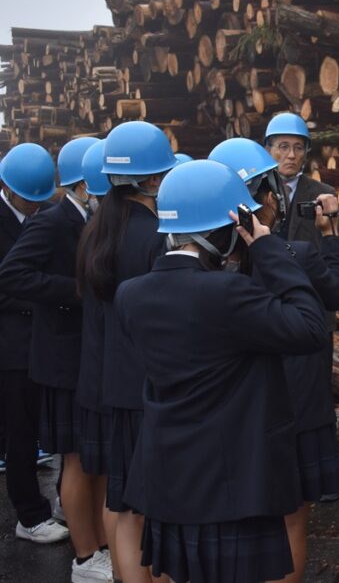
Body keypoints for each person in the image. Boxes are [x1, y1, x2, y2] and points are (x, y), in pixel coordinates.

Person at [116, 159, 328, 583]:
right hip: (230, 474)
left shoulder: (131, 294)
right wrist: (268, 249)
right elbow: (310, 327)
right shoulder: (228, 293)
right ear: (227, 231)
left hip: (167, 468)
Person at [209, 138, 339, 582]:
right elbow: (335, 294)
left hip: (230, 409)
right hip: (296, 403)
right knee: (290, 517)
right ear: (267, 197)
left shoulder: (207, 268)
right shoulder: (297, 255)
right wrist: (331, 236)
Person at [0, 137, 113, 583]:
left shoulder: (81, 218)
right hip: (39, 350)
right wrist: (73, 292)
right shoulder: (52, 221)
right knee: (52, 445)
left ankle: (88, 530)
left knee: (83, 453)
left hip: (73, 350)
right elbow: (12, 275)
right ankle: (67, 540)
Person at [77, 121, 177, 583]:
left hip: (115, 382)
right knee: (154, 506)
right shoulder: (158, 234)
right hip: (149, 386)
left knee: (122, 501)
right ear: (154, 178)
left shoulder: (97, 229)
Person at [0, 144, 70, 547]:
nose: (34, 205)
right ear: (8, 188)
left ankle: (67, 499)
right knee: (21, 433)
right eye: (28, 198)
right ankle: (29, 514)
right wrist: (48, 296)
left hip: (47, 338)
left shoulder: (44, 215)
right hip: (12, 345)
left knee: (55, 426)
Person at [263, 112, 335, 247]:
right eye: (284, 147)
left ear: (306, 153)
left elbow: (336, 245)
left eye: (299, 148)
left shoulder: (323, 194)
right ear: (268, 150)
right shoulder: (256, 194)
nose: (291, 155)